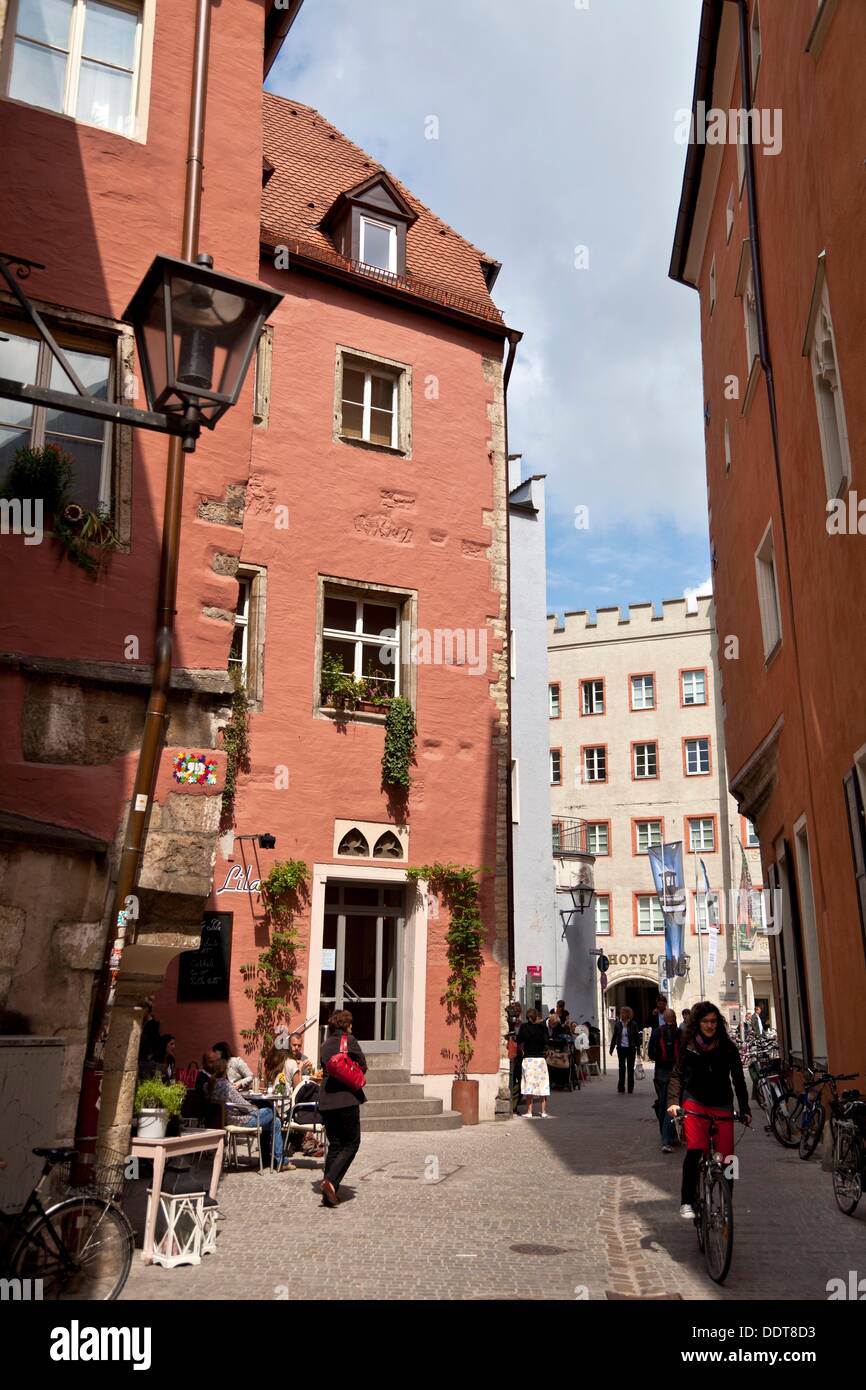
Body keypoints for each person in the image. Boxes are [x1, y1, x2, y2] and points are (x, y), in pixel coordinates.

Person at [667, 1000, 752, 1220]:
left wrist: (745, 1109)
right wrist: (673, 1102)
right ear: (698, 1023)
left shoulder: (727, 1047)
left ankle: (726, 1203)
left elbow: (739, 1080)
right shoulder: (689, 1046)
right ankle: (687, 1200)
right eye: (705, 1021)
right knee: (695, 1149)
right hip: (695, 1102)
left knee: (729, 1159)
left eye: (713, 1021)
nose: (710, 1026)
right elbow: (677, 1075)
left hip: (722, 1102)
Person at [317, 1009, 367, 1205]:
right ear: (346, 1025)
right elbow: (363, 1065)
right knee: (352, 1143)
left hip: (327, 1100)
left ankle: (328, 1193)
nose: (352, 1027)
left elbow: (324, 1067)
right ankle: (330, 1180)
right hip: (346, 1099)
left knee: (335, 1145)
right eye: (351, 1024)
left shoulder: (325, 1044)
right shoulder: (349, 1041)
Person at [208, 1057, 285, 1169]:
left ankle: (274, 1161)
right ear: (225, 1071)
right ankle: (281, 1162)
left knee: (276, 1122)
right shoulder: (227, 1087)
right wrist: (255, 1109)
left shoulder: (210, 1085)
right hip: (239, 1120)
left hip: (225, 1119)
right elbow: (245, 1107)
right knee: (270, 1111)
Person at [648, 1008, 680, 1152]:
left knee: (662, 1104)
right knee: (672, 1104)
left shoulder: (656, 1032)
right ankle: (668, 1138)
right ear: (674, 1018)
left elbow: (650, 1053)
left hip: (660, 1071)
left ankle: (665, 1135)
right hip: (676, 1071)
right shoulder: (679, 1032)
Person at [516, 1007, 551, 1118]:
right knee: (542, 1085)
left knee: (529, 1085)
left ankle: (529, 1111)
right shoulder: (543, 1028)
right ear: (536, 1016)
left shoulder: (524, 1027)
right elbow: (546, 1041)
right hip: (540, 1060)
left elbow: (519, 1040)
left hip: (528, 1059)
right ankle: (543, 1112)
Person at [609, 1006, 640, 1094]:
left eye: (624, 1013)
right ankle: (621, 1087)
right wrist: (611, 1048)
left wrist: (638, 1051)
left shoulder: (633, 1024)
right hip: (621, 1049)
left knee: (630, 1069)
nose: (622, 1014)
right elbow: (614, 1036)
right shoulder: (618, 1024)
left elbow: (637, 1038)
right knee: (621, 1068)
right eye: (621, 1013)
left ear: (628, 1014)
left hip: (631, 1049)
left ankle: (630, 1088)